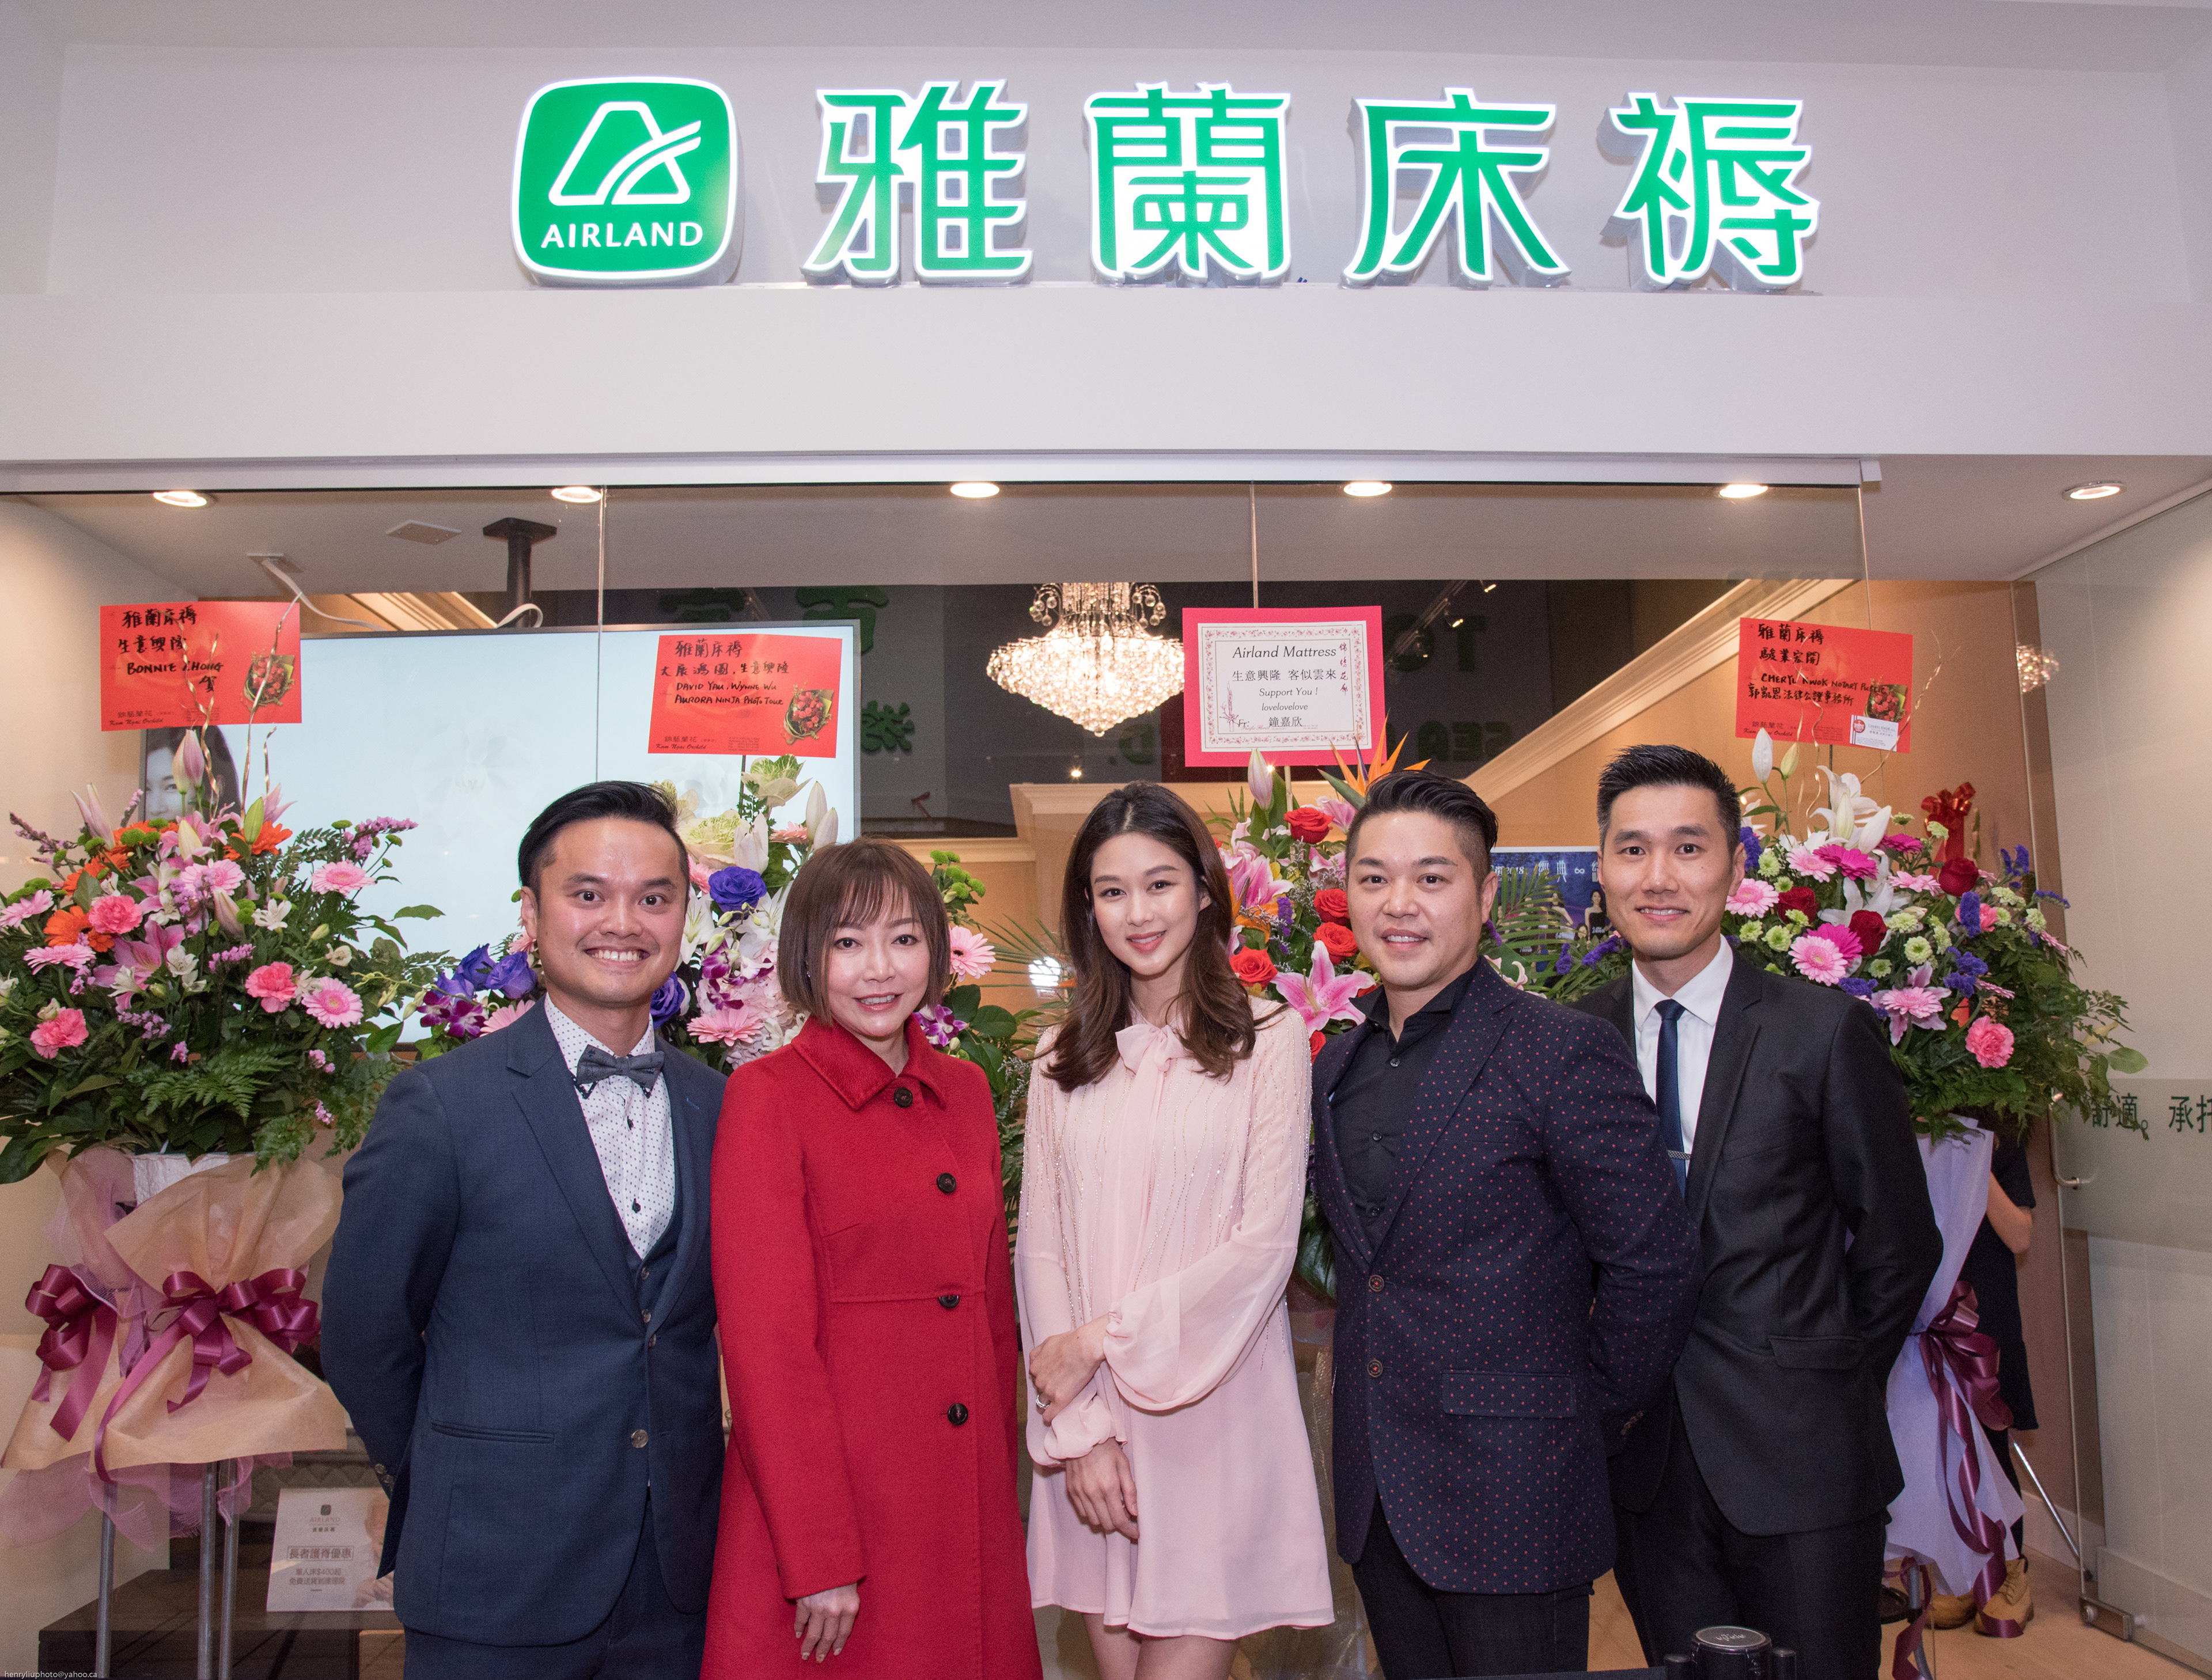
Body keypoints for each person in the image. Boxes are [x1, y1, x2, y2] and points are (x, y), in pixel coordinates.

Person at [323, 781, 728, 1678]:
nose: (622, 922)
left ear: (683, 920)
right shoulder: (439, 1106)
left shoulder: (721, 1107)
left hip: (678, 1582)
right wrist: (456, 1473)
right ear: (532, 915)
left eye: (653, 898)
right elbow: (361, 1336)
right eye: (588, 894)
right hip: (491, 1572)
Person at [1312, 768, 1699, 1680]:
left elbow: (1654, 1266)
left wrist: (1576, 1413)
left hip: (1517, 1490)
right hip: (1378, 1495)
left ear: (1486, 898)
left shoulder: (1559, 1048)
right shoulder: (1333, 1065)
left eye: (1432, 877)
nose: (1399, 903)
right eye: (1374, 878)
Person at [1574, 744, 1943, 1680]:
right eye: (1632, 849)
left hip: (1806, 1456)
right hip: (1643, 1463)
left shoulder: (1820, 1030)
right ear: (1603, 869)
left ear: (1736, 867)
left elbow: (1901, 1240)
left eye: (1688, 848)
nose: (1659, 876)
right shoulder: (1573, 1038)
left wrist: (1825, 1378)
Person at [704, 838, 1039, 1679]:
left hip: (961, 1501)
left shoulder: (966, 1090)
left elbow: (992, 1312)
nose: (879, 968)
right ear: (805, 958)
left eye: (904, 938)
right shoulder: (768, 1096)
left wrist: (996, 1492)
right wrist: (817, 1552)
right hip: (840, 1511)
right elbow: (766, 1348)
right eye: (847, 942)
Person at [1020, 783, 1332, 1680]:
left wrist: (1100, 1341)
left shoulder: (1269, 1040)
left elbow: (1263, 1249)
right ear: (1088, 909)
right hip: (1091, 1437)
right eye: (1112, 892)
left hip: (1212, 1419)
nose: (1139, 913)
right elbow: (1041, 1247)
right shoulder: (1058, 1059)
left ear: (1203, 890)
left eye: (1159, 884)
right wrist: (1081, 1431)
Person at [1928, 1131, 2038, 1635]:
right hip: (1930, 1305)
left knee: (1991, 1440)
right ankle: (1961, 1574)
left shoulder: (2004, 1138)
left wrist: (1976, 1160)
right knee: (1937, 1439)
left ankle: (2013, 1572)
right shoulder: (1914, 1133)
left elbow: (2020, 1235)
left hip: (1985, 1308)